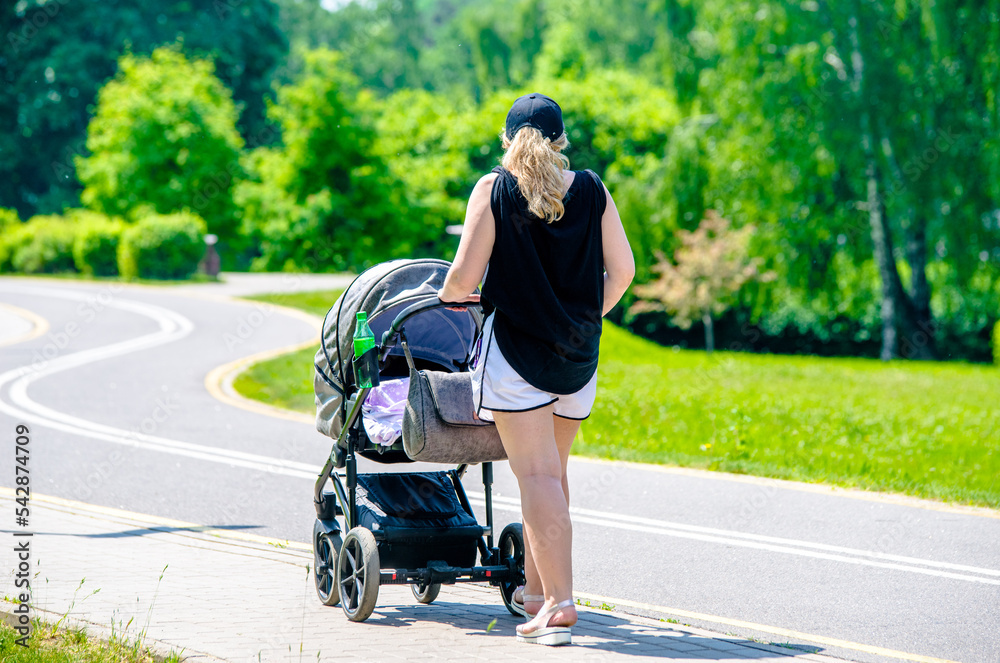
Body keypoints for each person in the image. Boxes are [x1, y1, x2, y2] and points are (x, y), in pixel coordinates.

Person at [438, 93, 635, 646]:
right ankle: (533, 589)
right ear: (561, 141)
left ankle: (559, 603)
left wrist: (455, 297)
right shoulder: (593, 190)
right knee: (554, 474)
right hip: (578, 357)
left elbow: (461, 278)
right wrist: (580, 315)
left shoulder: (494, 189)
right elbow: (622, 271)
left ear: (507, 139)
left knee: (537, 477)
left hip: (518, 358)